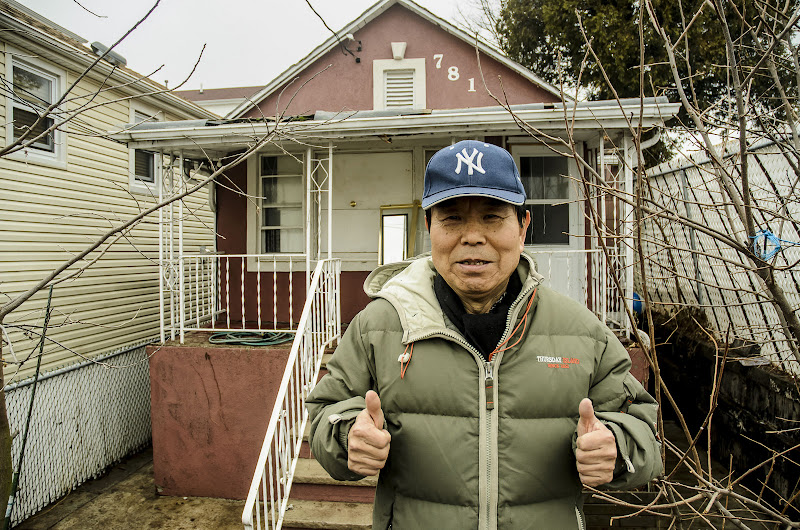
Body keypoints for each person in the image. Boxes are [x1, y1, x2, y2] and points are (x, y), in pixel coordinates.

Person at [306, 140, 661, 529]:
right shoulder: (378, 327)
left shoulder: (582, 333)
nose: (472, 237)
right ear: (429, 228)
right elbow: (326, 413)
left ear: (523, 227)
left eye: (492, 217)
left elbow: (643, 429)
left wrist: (616, 447)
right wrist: (347, 437)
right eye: (452, 218)